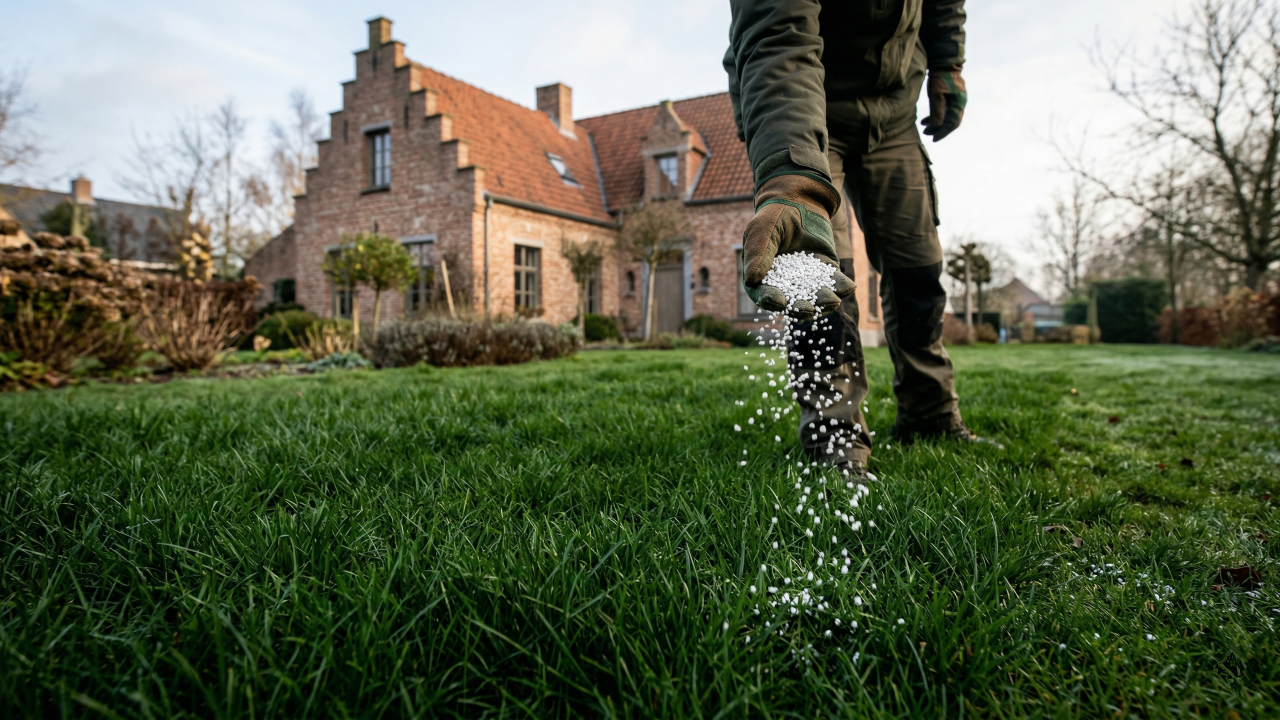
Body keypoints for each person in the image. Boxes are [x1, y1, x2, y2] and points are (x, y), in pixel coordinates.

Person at [726, 0, 1000, 476]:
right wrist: (794, 182)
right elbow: (777, 38)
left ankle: (930, 413)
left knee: (919, 267)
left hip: (893, 110)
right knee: (818, 274)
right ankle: (835, 438)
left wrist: (947, 62)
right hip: (804, 104)